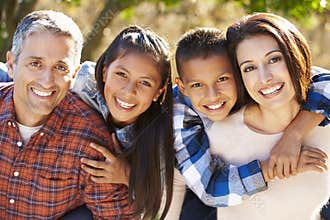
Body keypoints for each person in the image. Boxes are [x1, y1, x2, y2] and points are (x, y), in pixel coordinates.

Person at [166, 25, 330, 219]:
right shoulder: (182, 111)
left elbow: (320, 80)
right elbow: (210, 187)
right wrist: (272, 167)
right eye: (197, 85)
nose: (212, 95)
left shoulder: (272, 89)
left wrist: (293, 135)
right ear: (183, 87)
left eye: (223, 79)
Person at [0, 10, 134, 219]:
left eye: (60, 67)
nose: (47, 80)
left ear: (74, 74)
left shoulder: (89, 140)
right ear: (11, 64)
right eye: (35, 63)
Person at [69, 25, 175, 219]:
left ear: (158, 92)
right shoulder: (83, 83)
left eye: (145, 83)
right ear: (103, 72)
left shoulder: (160, 134)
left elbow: (157, 203)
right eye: (121, 75)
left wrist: (127, 174)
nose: (128, 91)